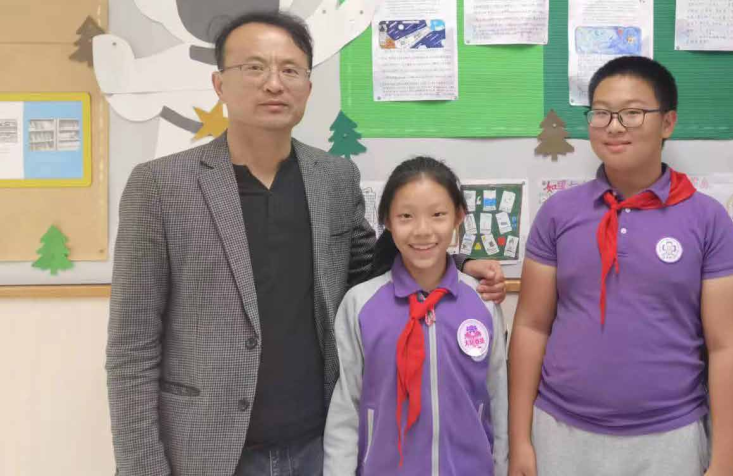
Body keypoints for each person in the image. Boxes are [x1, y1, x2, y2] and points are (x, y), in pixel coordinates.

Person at [107, 11, 505, 476]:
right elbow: (131, 349)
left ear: (308, 88)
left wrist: (458, 263)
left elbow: (372, 270)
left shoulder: (334, 178)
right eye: (254, 67)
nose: (274, 83)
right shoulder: (161, 186)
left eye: (290, 70)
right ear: (219, 84)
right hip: (208, 450)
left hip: (317, 445)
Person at [508, 56, 733, 476]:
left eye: (632, 113)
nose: (614, 126)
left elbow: (727, 346)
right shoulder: (558, 213)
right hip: (560, 430)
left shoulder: (708, 219)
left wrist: (725, 462)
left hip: (670, 436)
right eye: (601, 113)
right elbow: (531, 326)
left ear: (668, 123)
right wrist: (520, 441)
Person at [324, 156, 508, 475]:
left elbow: (498, 399)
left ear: (458, 216)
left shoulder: (483, 302)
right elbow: (346, 409)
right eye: (406, 216)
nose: (423, 231)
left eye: (438, 215)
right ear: (387, 220)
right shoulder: (360, 304)